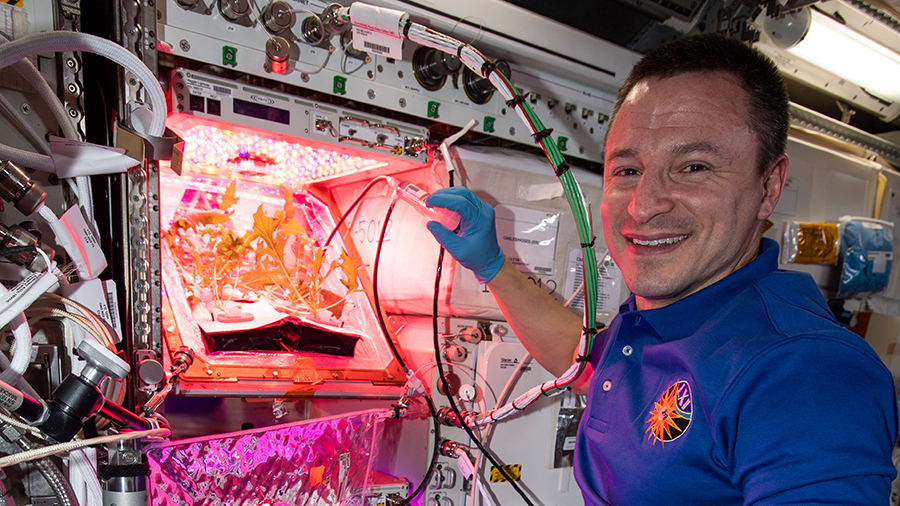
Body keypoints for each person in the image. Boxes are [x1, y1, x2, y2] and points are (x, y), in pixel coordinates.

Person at [425, 33, 899, 505]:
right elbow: (587, 363)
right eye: (627, 171)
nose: (643, 206)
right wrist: (493, 267)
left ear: (769, 187)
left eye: (693, 167)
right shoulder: (670, 320)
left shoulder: (804, 371)